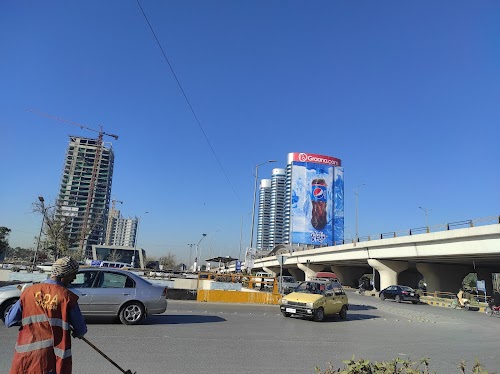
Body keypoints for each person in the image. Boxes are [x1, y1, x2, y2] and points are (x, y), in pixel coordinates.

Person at [5, 256, 87, 374]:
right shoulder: (67, 297)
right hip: (51, 360)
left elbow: (9, 321)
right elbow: (81, 329)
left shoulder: (29, 292)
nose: (74, 278)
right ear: (63, 275)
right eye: (73, 274)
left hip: (26, 358)